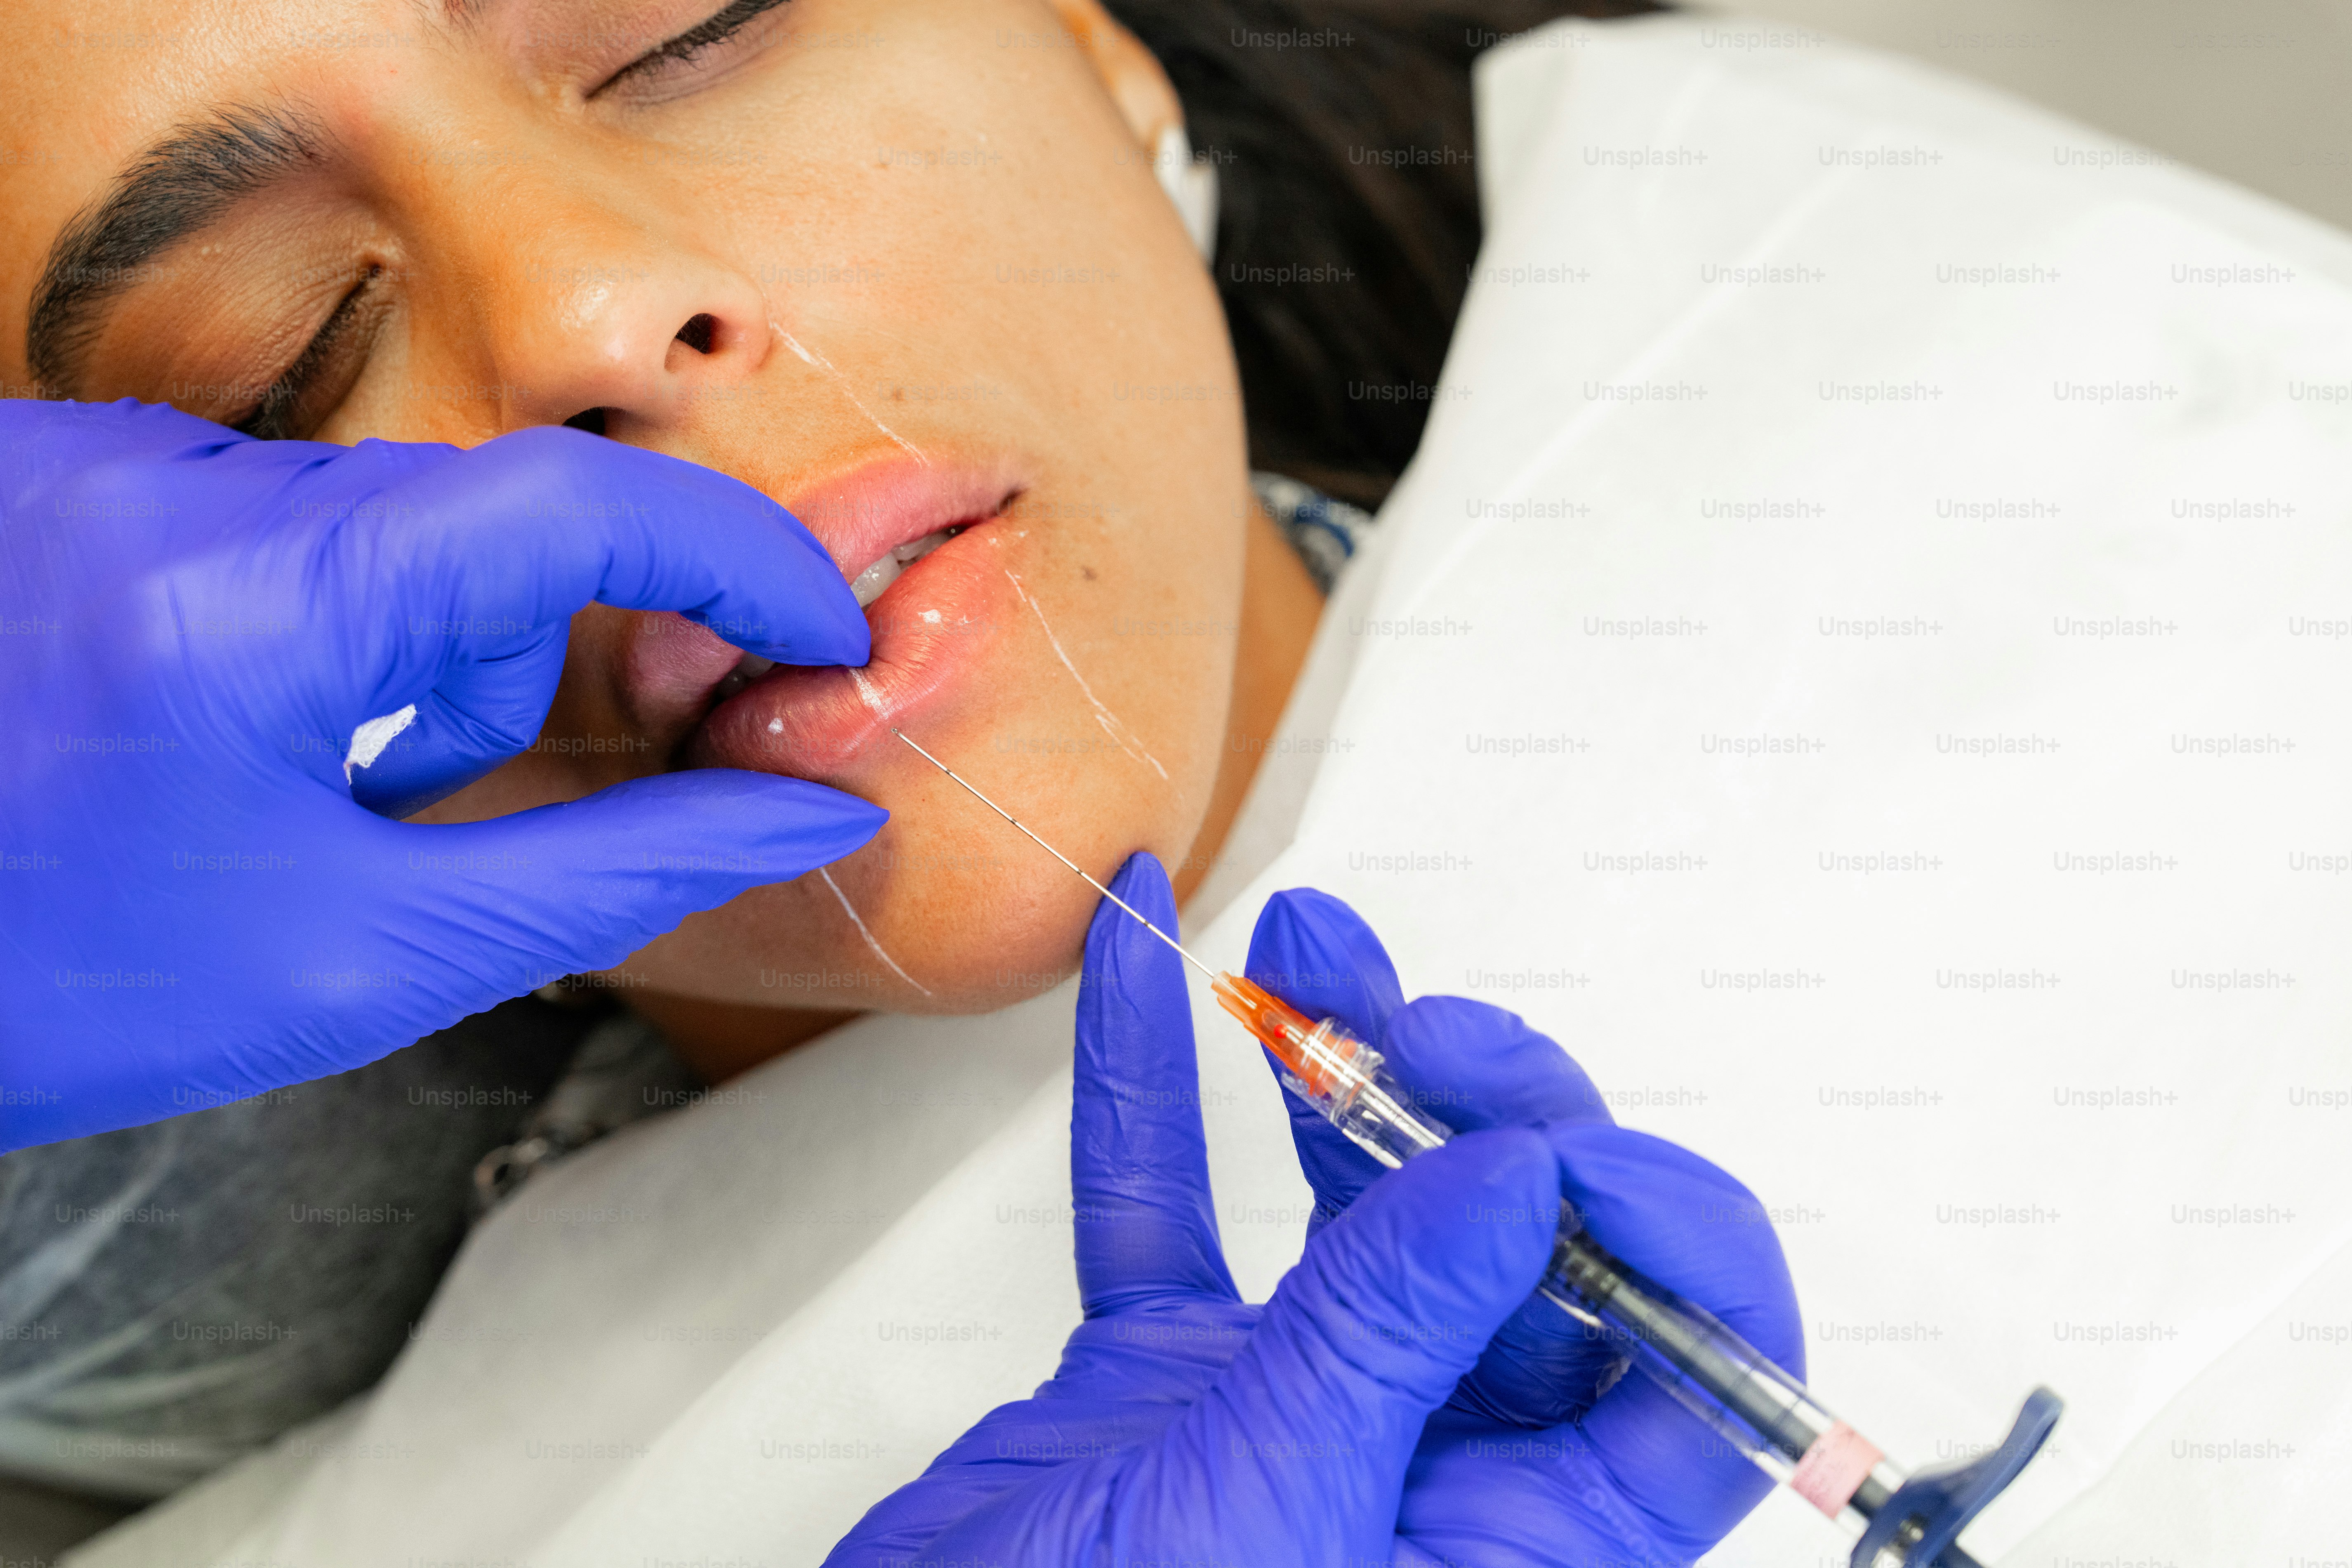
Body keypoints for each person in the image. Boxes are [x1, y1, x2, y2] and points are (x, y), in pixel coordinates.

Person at [0, 0, 1695, 1549]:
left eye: (681, 35)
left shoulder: (1825, 291)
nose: (589, 319)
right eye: (284, 361)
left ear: (1088, 42)